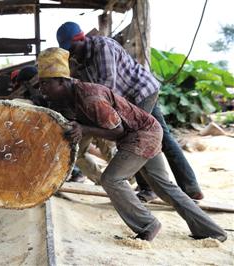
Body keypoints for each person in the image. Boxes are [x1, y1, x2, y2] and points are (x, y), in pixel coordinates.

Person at [36, 47, 227, 242]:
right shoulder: (68, 98)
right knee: (164, 188)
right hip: (144, 132)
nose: (41, 90)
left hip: (142, 134)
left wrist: (84, 130)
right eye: (40, 85)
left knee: (111, 179)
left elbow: (117, 131)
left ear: (61, 81)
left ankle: (148, 225)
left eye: (45, 84)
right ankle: (212, 231)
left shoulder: (90, 97)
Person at [56, 21, 204, 201]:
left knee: (138, 139)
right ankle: (160, 188)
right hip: (127, 102)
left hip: (141, 93)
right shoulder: (82, 62)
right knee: (149, 138)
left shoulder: (102, 47)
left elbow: (106, 88)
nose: (71, 53)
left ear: (80, 39)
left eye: (71, 48)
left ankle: (180, 187)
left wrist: (96, 119)